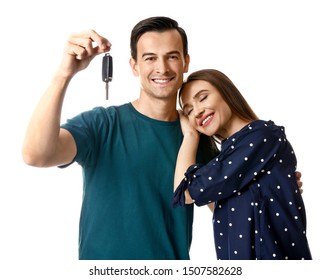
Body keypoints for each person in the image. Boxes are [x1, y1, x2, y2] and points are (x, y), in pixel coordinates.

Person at [21, 16, 303, 260]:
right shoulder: (103, 124)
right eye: (150, 58)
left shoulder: (199, 140)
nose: (162, 68)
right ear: (134, 66)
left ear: (185, 62)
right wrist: (63, 74)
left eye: (171, 56)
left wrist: (269, 183)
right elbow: (36, 154)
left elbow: (225, 205)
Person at [173, 69, 312, 260]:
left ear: (226, 92)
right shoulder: (232, 157)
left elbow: (188, 191)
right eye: (188, 111)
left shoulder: (261, 136)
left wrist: (190, 135)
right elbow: (224, 209)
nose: (197, 112)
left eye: (203, 97)